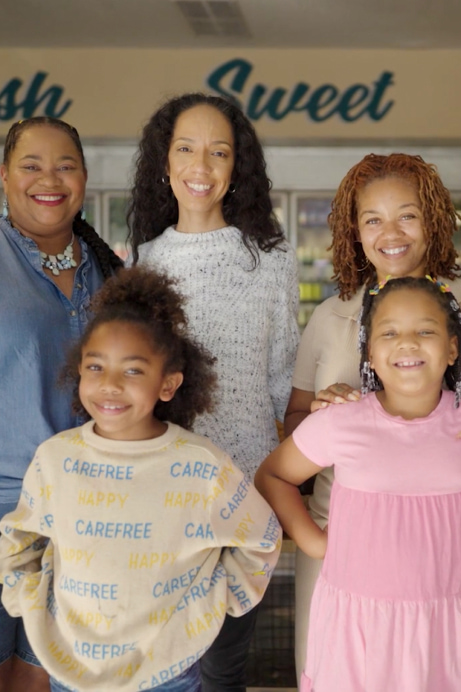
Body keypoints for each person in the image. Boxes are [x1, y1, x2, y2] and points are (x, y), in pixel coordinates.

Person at [257, 276, 461, 691]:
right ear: (370, 352)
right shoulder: (340, 423)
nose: (407, 343)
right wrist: (314, 541)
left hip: (444, 633)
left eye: (425, 331)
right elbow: (273, 475)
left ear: (452, 348)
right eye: (389, 333)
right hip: (358, 632)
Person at [284, 152, 461, 677]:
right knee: (338, 669)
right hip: (343, 534)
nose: (390, 233)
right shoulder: (330, 316)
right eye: (373, 219)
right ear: (355, 231)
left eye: (407, 215)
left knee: (437, 668)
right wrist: (328, 409)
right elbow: (295, 424)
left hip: (453, 533)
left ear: (433, 221)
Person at [0, 266, 282, 692]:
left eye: (132, 371)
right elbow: (19, 537)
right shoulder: (55, 459)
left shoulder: (202, 465)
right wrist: (29, 598)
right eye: (96, 367)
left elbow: (261, 538)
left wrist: (213, 603)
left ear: (168, 384)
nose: (109, 384)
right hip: (69, 670)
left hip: (168, 674)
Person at [127, 93, 299, 692]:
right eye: (186, 149)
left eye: (218, 152)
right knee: (166, 663)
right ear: (164, 163)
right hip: (162, 495)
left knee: (223, 666)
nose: (201, 166)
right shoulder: (142, 260)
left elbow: (283, 377)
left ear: (236, 168)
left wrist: (292, 479)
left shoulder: (271, 261)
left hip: (244, 494)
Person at [0, 117, 122, 692]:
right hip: (4, 514)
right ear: (3, 177)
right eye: (31, 165)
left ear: (84, 178)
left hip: (87, 520)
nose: (49, 179)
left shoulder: (109, 271)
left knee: (43, 677)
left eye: (65, 165)